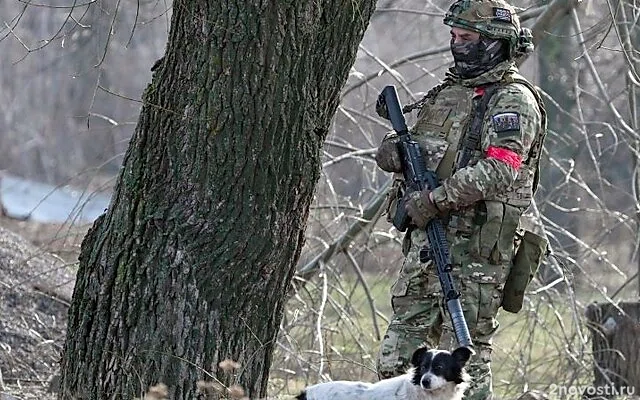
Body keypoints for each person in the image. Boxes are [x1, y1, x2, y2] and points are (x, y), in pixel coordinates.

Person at [374, 1, 548, 399]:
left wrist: (435, 200)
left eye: (466, 38)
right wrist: (395, 152)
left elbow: (501, 169)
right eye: (453, 37)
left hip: (475, 259)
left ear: (494, 43)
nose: (456, 45)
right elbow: (422, 149)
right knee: (396, 363)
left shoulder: (512, 100)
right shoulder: (449, 94)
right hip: (425, 249)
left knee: (465, 367)